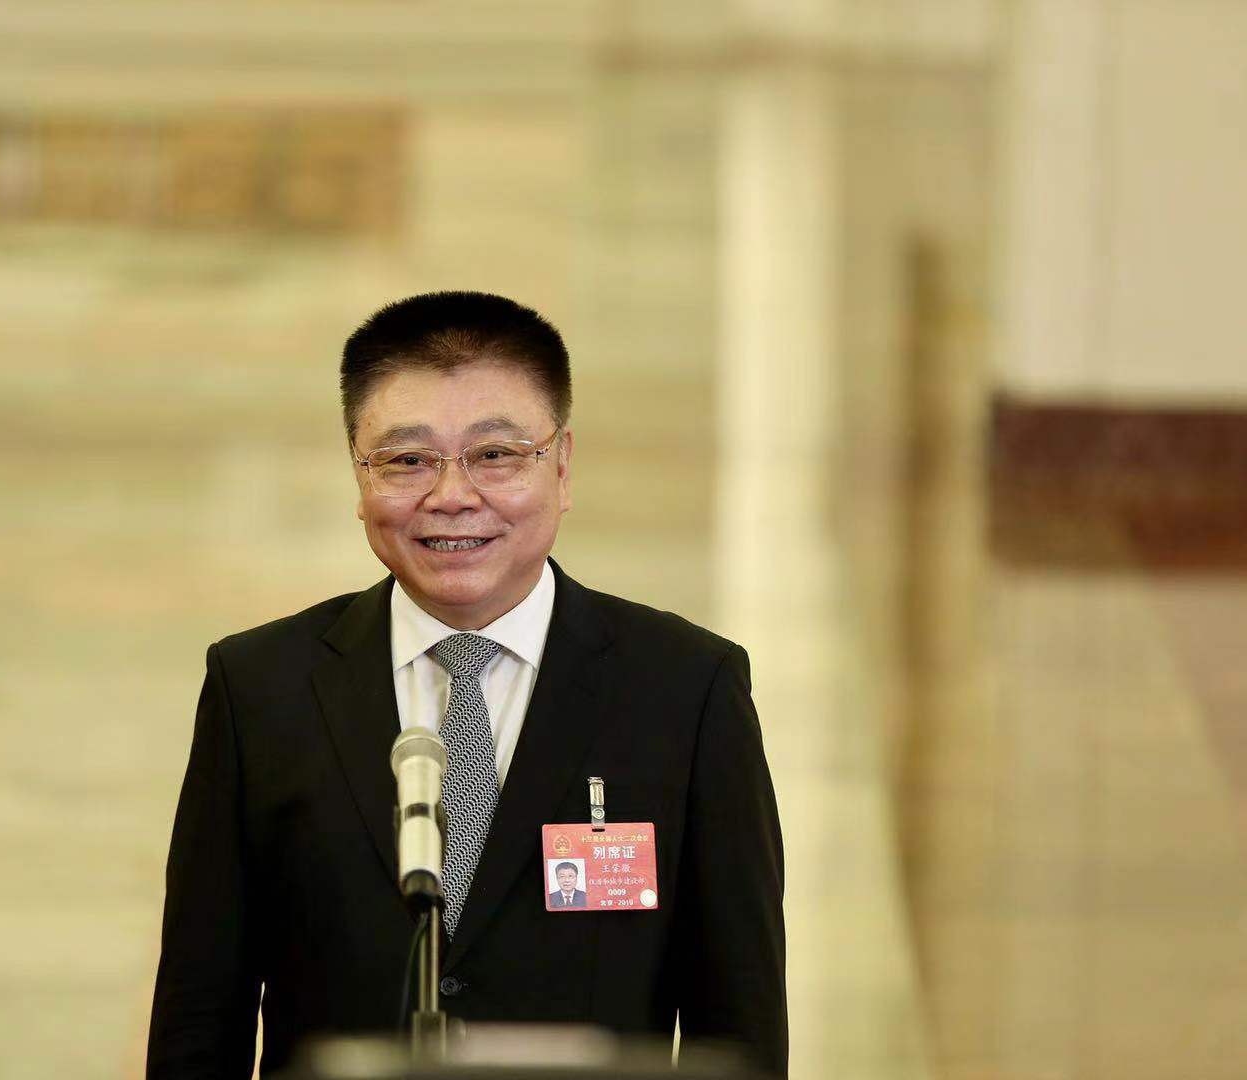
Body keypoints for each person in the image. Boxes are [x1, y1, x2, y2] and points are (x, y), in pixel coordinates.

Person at [147, 292, 787, 1079]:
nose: (451, 496)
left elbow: (741, 1025)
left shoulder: (686, 690)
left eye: (495, 455)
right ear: (358, 473)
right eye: (407, 460)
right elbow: (199, 1019)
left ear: (562, 465)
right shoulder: (261, 688)